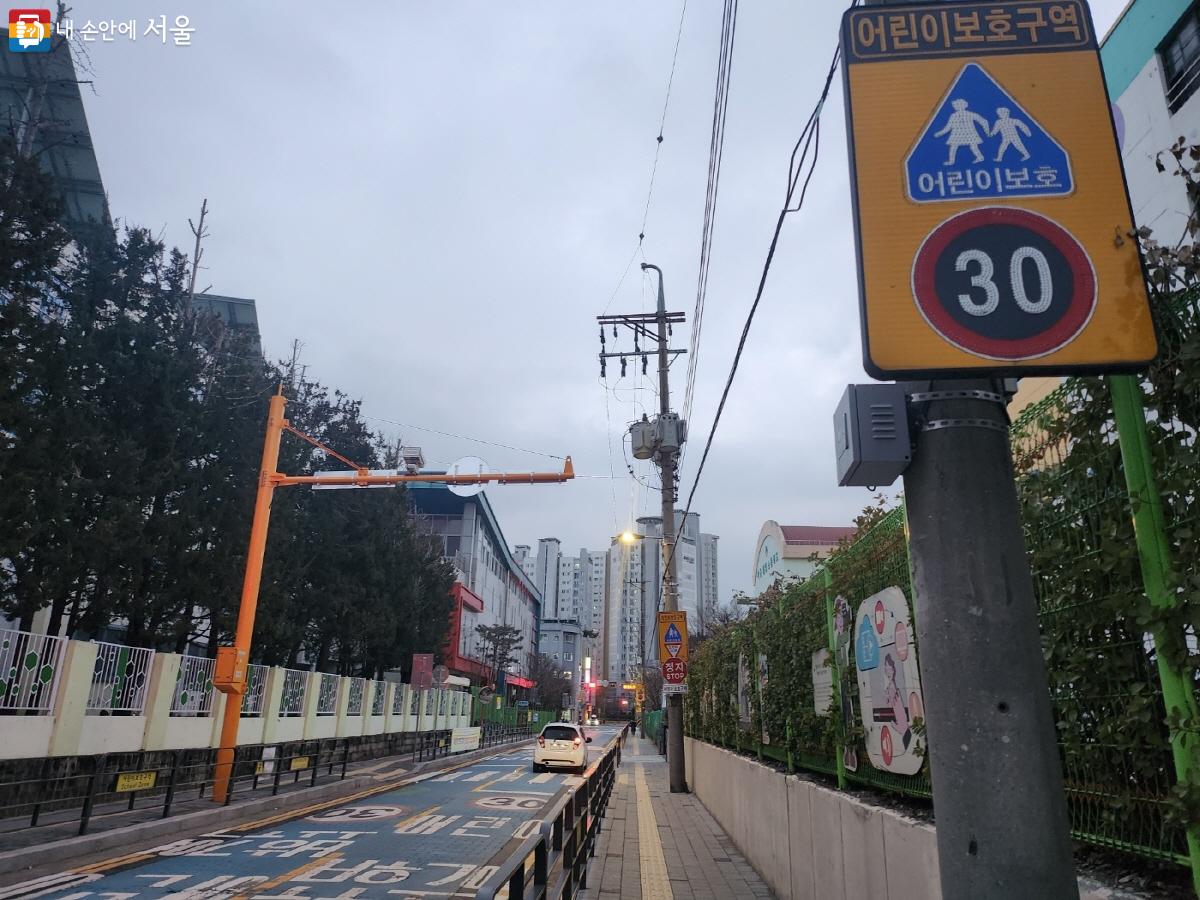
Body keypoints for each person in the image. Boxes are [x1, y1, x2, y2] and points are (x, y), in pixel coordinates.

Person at [934, 98, 990, 165]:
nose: (956, 107)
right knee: (954, 147)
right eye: (955, 105)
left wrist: (987, 131)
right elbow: (948, 127)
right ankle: (951, 161)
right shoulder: (954, 116)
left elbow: (983, 121)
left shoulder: (969, 114)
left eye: (958, 105)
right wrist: (940, 133)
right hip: (958, 134)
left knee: (972, 147)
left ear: (964, 106)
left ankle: (980, 157)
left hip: (969, 134)